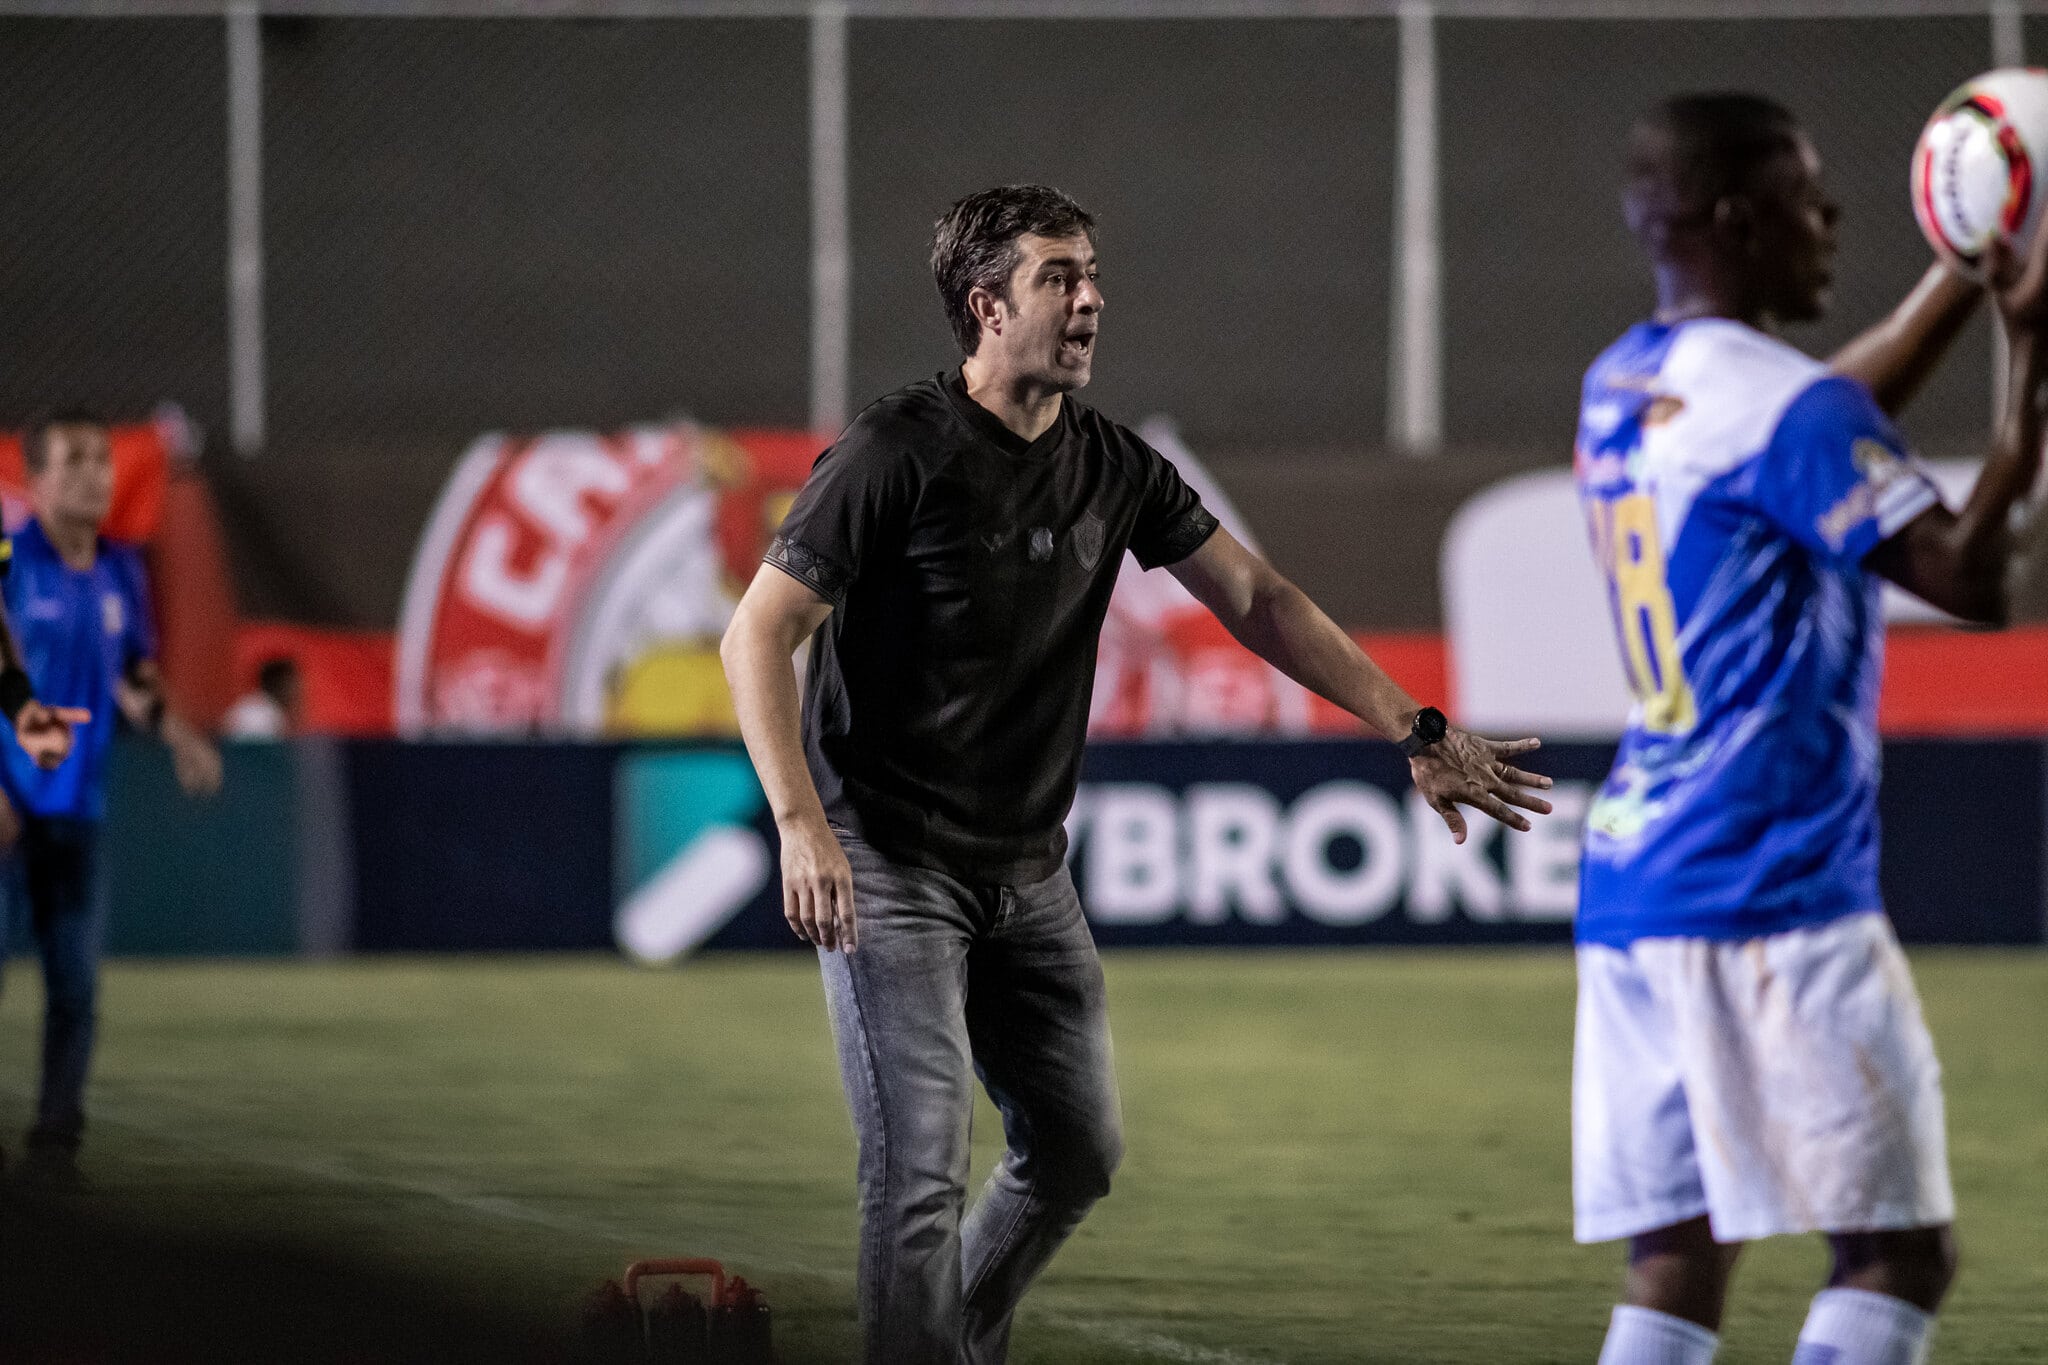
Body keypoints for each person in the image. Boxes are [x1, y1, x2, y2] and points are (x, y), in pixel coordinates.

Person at [721, 184, 1553, 1365]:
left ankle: (952, 1339)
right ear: (985, 306)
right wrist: (800, 825)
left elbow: (1256, 598)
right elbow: (758, 633)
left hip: (1027, 875)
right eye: (1057, 277)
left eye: (1091, 275)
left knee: (1075, 1155)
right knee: (917, 1174)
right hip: (888, 865)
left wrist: (1415, 730)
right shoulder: (894, 450)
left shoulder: (1112, 465)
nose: (1090, 300)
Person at [1573, 94, 2043, 1365]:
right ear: (1738, 220)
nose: (1830, 219)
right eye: (1805, 197)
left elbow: (1814, 418)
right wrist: (2030, 356)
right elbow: (1972, 579)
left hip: (1634, 883)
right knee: (1895, 1254)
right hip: (1769, 887)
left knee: (1675, 1261)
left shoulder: (1623, 382)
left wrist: (1964, 270)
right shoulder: (1782, 411)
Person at [0, 408, 222, 1181]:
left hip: (76, 809)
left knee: (75, 988)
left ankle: (55, 1148)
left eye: (102, 458)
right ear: (34, 478)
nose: (95, 473)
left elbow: (135, 674)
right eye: (75, 459)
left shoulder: (122, 568)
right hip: (7, 808)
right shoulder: (9, 556)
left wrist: (180, 734)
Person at [222, 655, 303, 740]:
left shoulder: (270, 709)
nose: (297, 690)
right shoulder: (259, 716)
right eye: (293, 684)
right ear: (280, 684)